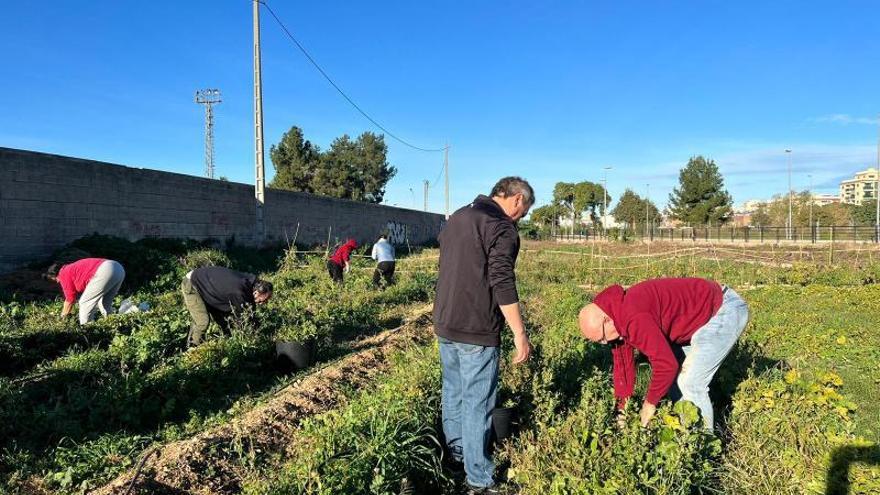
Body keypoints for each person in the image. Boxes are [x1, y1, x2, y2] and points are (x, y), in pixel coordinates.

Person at [433, 176, 535, 494]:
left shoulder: (458, 218)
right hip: (477, 328)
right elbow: (501, 279)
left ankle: (456, 458)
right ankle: (478, 478)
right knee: (478, 402)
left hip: (446, 322)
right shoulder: (501, 226)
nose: (523, 217)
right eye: (525, 210)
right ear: (517, 199)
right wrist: (520, 333)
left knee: (454, 394)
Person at [577, 278, 749, 430]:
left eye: (602, 338)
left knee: (689, 383)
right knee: (675, 382)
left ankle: (703, 448)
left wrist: (650, 403)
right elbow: (623, 366)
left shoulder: (633, 317)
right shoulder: (616, 314)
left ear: (607, 320)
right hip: (699, 318)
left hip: (722, 310)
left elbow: (666, 364)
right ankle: (687, 433)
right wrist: (622, 408)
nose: (604, 343)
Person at [181, 265, 273, 347]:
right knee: (202, 322)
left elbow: (250, 311)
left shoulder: (251, 283)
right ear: (256, 292)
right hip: (193, 284)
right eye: (263, 300)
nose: (263, 303)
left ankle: (225, 344)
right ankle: (192, 350)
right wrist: (256, 337)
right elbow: (244, 318)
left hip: (209, 287)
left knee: (225, 322)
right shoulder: (239, 291)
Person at [45, 258, 126, 325]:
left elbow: (70, 299)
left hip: (105, 270)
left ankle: (88, 330)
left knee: (84, 302)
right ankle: (114, 323)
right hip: (118, 268)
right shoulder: (71, 268)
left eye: (54, 280)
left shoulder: (63, 273)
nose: (57, 282)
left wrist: (62, 317)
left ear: (55, 275)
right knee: (104, 303)